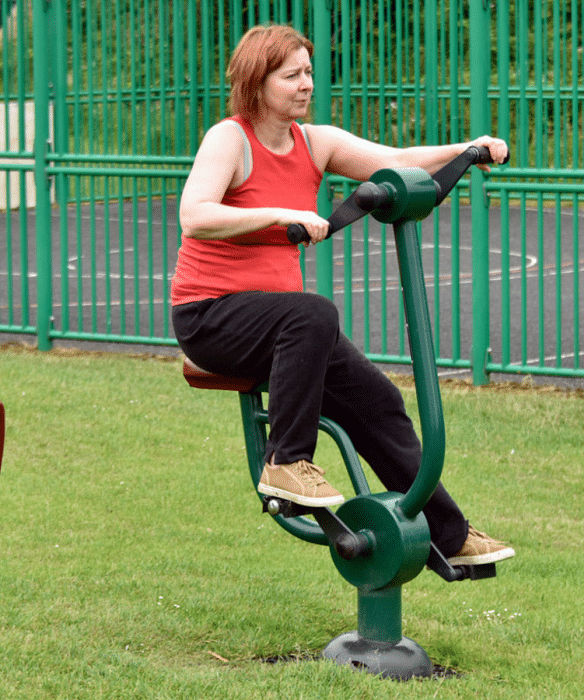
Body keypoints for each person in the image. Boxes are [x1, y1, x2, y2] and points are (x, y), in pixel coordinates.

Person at [171, 24, 514, 566]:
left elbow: (396, 159)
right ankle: (286, 463)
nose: (306, 84)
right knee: (314, 314)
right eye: (292, 76)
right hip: (210, 317)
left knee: (378, 401)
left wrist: (467, 150)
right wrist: (283, 214)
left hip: (285, 326)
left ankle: (450, 536)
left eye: (309, 72)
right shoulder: (229, 139)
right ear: (258, 82)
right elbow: (195, 215)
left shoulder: (316, 142)